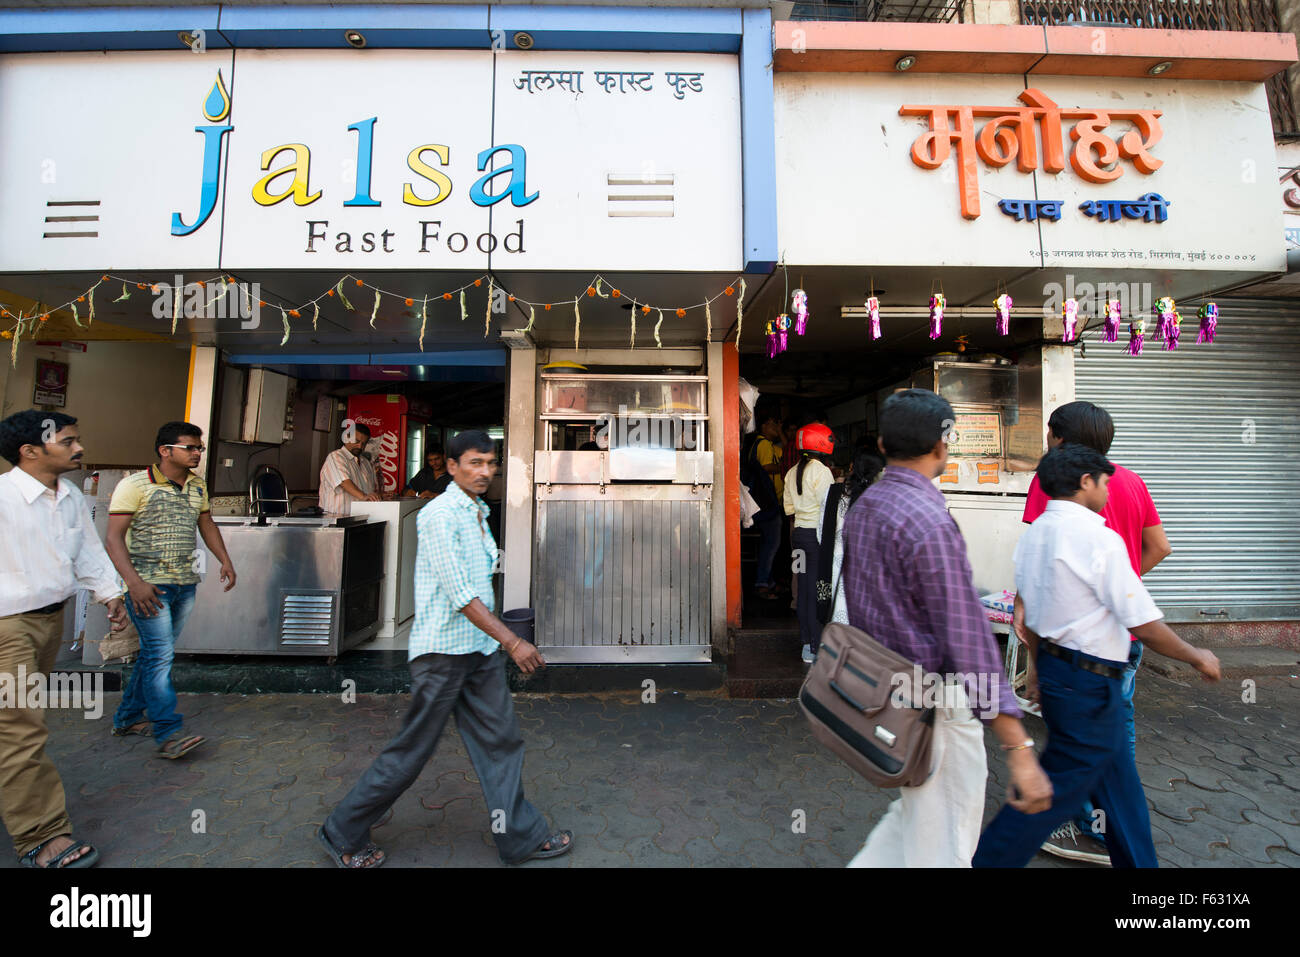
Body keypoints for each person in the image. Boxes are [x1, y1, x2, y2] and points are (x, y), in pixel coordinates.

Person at [318, 430, 572, 868]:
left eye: (489, 463)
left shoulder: (475, 510)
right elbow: (461, 594)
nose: (484, 471)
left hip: (477, 652)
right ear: (451, 467)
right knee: (412, 751)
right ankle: (342, 831)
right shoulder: (438, 514)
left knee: (501, 743)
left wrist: (496, 643)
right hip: (442, 656)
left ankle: (520, 837)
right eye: (474, 462)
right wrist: (512, 641)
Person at [974, 444, 1221, 868]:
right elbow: (1141, 621)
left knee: (1119, 788)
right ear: (1085, 482)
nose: (1109, 490)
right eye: (1105, 481)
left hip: (1062, 673)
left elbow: (1027, 605)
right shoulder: (1097, 537)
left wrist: (1035, 666)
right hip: (1088, 684)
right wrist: (1196, 655)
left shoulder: (1036, 534)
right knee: (1047, 794)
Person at [842, 389, 1051, 867]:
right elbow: (969, 639)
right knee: (947, 846)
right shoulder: (928, 520)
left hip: (895, 696)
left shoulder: (867, 506)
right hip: (939, 704)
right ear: (942, 446)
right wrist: (1017, 746)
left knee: (913, 825)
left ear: (880, 443)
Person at [1016, 400, 1171, 864]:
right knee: (1116, 723)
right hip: (1125, 633)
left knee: (1074, 730)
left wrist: (1028, 619)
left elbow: (1035, 557)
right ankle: (1111, 826)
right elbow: (1159, 546)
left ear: (1063, 438)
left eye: (1049, 432)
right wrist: (1121, 592)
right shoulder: (1132, 480)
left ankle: (1079, 823)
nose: (1047, 440)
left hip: (1073, 641)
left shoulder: (1054, 481)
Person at [0, 409, 127, 868]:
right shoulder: (3, 499)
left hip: (50, 621)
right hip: (8, 626)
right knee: (21, 728)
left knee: (15, 721)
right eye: (68, 441)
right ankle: (41, 836)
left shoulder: (69, 495)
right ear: (30, 451)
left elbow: (88, 551)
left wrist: (110, 594)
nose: (79, 448)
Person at [105, 421, 236, 759]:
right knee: (161, 657)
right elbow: (114, 538)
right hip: (148, 586)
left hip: (184, 583)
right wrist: (133, 584)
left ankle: (127, 719)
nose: (197, 453)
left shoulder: (197, 486)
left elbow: (205, 523)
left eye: (199, 448)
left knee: (153, 655)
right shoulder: (134, 485)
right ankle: (168, 733)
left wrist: (224, 559)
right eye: (190, 448)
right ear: (165, 451)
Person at [815, 444, 884, 626]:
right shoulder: (881, 498)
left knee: (839, 621)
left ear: (852, 466)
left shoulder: (833, 493)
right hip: (869, 571)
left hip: (836, 565)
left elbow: (821, 534)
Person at [784, 423, 834, 664]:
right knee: (816, 591)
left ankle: (806, 643)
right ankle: (815, 646)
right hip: (815, 537)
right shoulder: (822, 472)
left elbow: (789, 508)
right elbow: (828, 507)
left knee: (803, 589)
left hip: (798, 536)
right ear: (822, 443)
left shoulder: (792, 471)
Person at [742, 412, 784, 600]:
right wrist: (787, 468)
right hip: (767, 502)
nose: (777, 429)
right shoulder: (765, 444)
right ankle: (762, 583)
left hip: (762, 502)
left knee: (770, 543)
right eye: (775, 424)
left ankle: (770, 581)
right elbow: (768, 467)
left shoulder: (756, 444)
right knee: (771, 544)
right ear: (765, 424)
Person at [319, 422, 381, 515]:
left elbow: (370, 491)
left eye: (363, 443)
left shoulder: (366, 463)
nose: (360, 446)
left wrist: (380, 496)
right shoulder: (336, 457)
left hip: (360, 519)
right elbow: (344, 482)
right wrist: (364, 496)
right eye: (356, 441)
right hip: (335, 520)